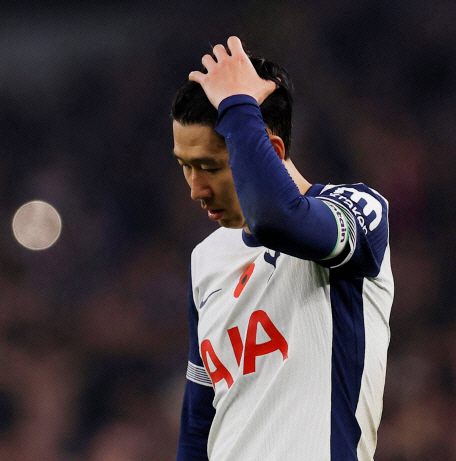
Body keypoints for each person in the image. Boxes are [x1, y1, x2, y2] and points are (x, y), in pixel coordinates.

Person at [172, 36, 394, 461]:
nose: (196, 190)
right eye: (185, 167)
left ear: (270, 151)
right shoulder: (206, 260)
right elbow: (199, 425)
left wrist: (238, 104)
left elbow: (277, 220)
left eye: (209, 167)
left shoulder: (360, 211)